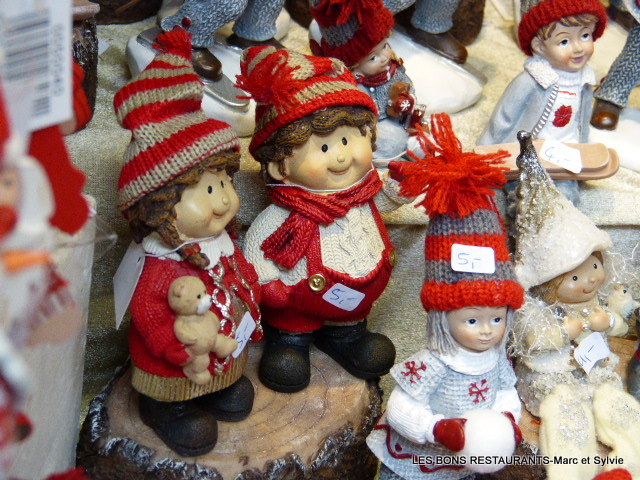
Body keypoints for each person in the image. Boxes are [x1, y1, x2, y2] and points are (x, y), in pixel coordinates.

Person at [114, 29, 262, 456]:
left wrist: (252, 295)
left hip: (222, 345)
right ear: (158, 204)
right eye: (206, 190)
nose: (223, 201)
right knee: (173, 385)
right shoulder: (160, 263)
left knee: (231, 384)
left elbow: (242, 276)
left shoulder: (223, 244)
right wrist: (171, 346)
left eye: (224, 183)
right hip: (175, 360)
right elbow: (147, 311)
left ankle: (220, 387)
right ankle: (167, 409)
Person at [237, 46, 411, 393]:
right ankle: (290, 343)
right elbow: (258, 244)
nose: (342, 156)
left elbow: (386, 201)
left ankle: (347, 337)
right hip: (296, 305)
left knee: (365, 344)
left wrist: (402, 188)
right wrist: (267, 282)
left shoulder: (365, 194)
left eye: (347, 140)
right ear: (279, 167)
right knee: (289, 357)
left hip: (354, 303)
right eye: (324, 148)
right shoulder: (285, 215)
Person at [367, 114, 524, 480]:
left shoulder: (495, 358)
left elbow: (506, 392)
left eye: (497, 318)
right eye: (472, 319)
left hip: (469, 459)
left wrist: (507, 418)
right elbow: (401, 406)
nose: (487, 330)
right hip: (423, 454)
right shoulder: (435, 363)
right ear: (442, 316)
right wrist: (435, 429)